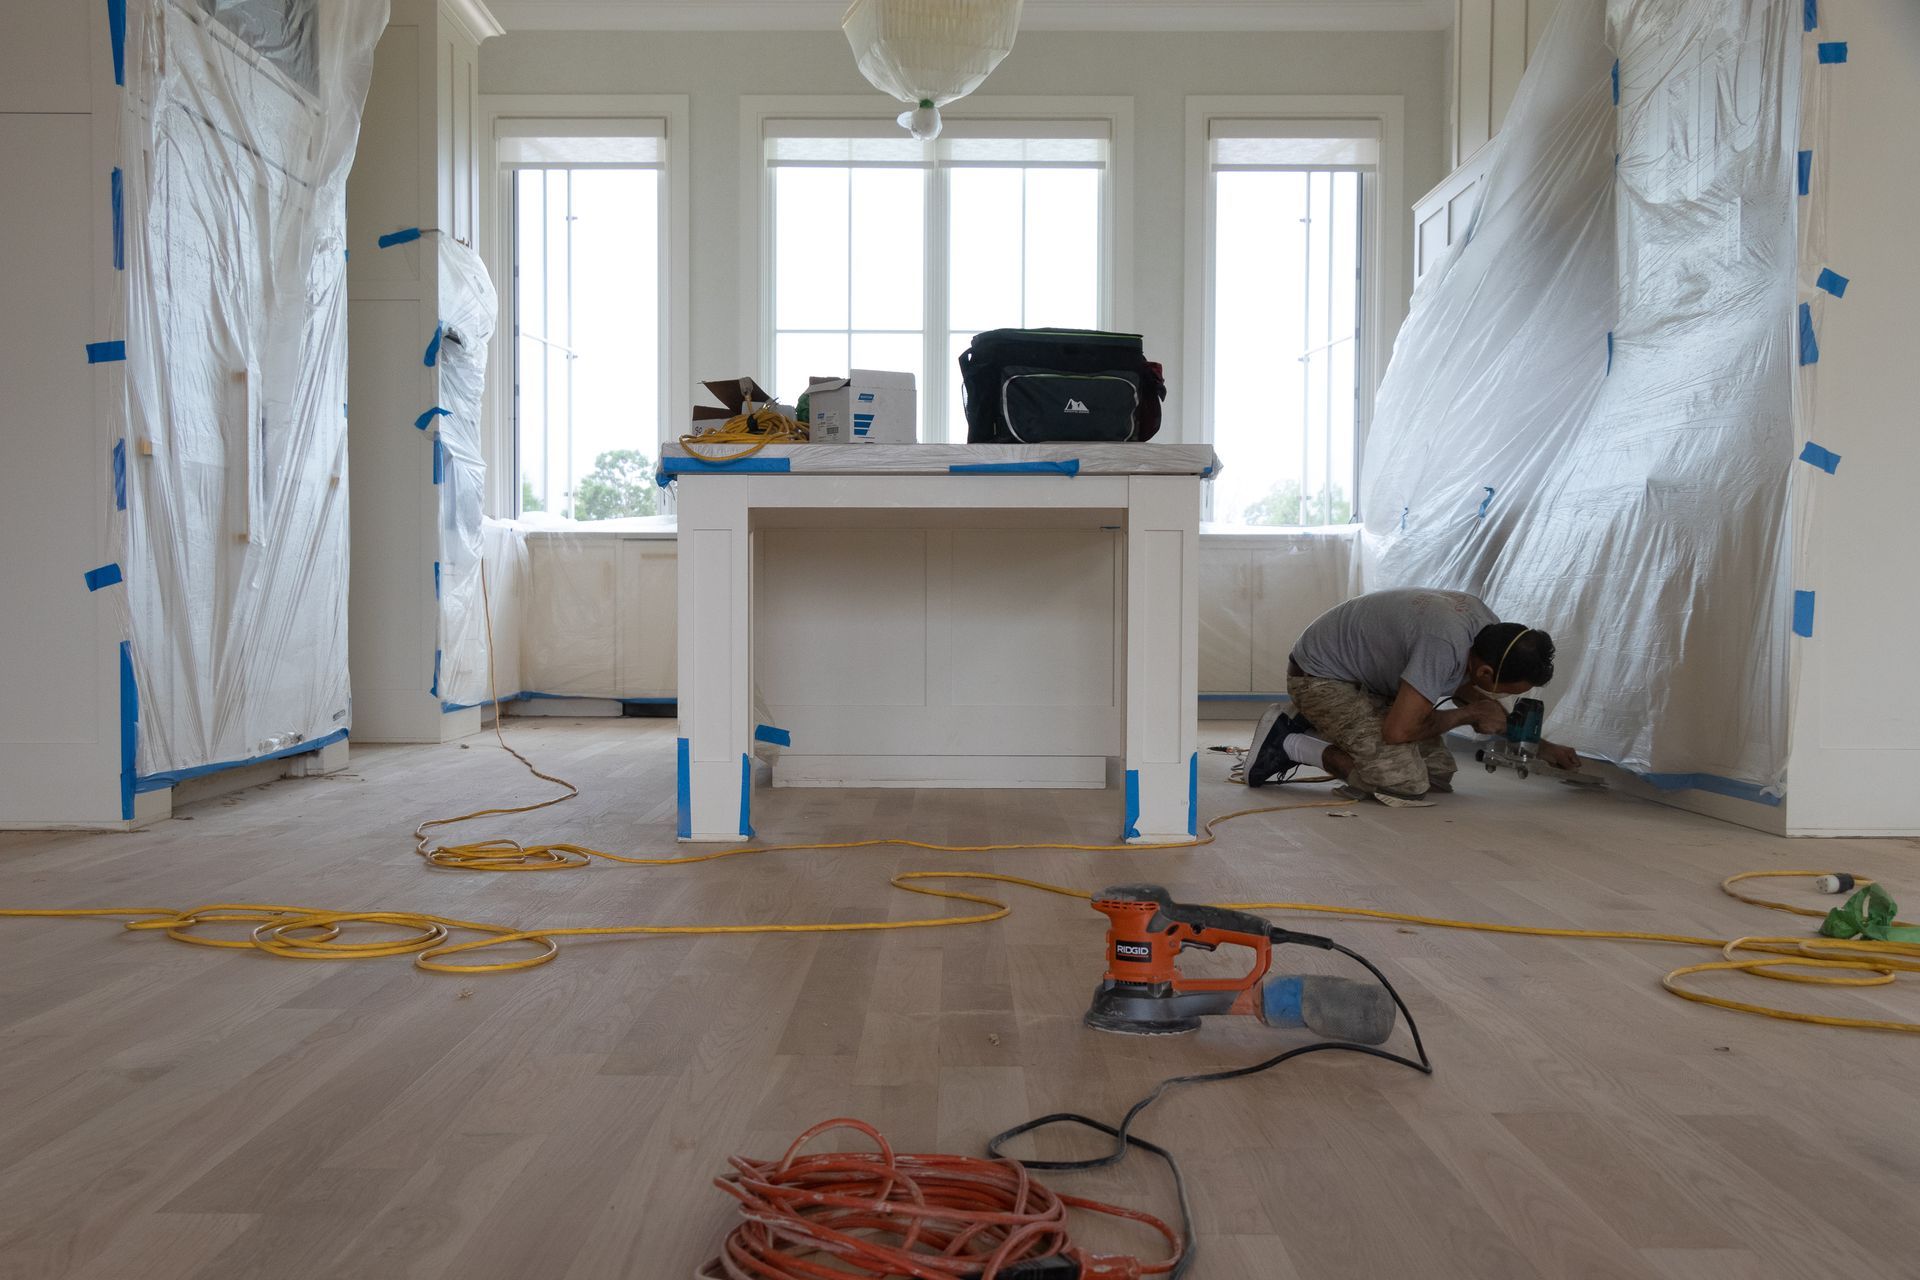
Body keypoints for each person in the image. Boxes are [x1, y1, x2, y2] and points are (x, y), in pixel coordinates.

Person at [1247, 588, 1580, 805]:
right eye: (1507, 691)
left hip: (1370, 682)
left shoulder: (1489, 634)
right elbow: (1398, 732)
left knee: (1436, 775)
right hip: (1320, 678)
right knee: (1401, 783)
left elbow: (1466, 692)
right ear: (1486, 674)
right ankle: (1291, 740)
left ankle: (1323, 728)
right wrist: (1467, 715)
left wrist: (1540, 748)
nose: (1502, 697)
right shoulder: (1445, 643)